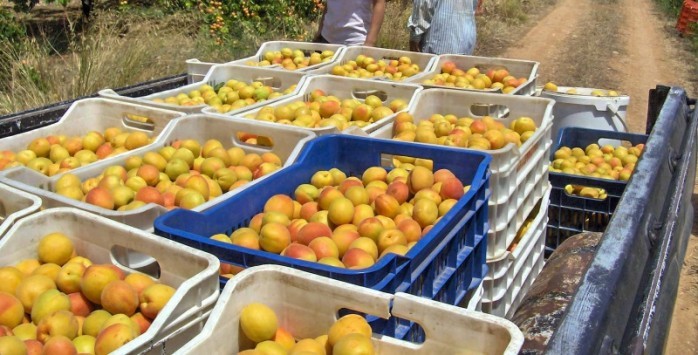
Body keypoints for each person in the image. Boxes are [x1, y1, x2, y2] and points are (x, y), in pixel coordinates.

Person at [408, 0, 481, 55]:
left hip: (440, 44)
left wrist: (414, 38)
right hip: (466, 41)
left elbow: (422, 8)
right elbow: (476, 6)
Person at [313, 0, 386, 46]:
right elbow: (330, 4)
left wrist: (370, 42)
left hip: (354, 41)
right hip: (326, 38)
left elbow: (379, 2)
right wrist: (320, 29)